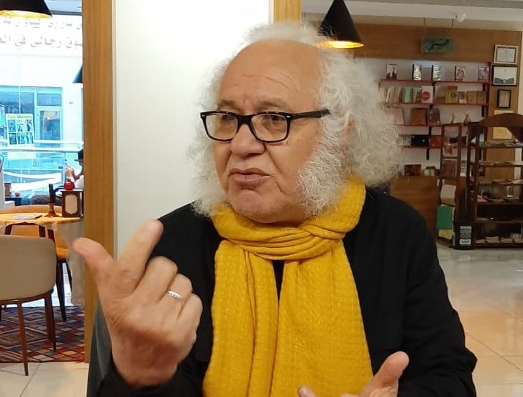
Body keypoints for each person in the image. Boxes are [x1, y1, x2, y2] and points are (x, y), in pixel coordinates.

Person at [79, 23, 477, 397]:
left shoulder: (396, 234)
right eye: (228, 118)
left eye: (274, 119)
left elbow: (450, 377)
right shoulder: (172, 249)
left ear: (341, 134)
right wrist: (137, 377)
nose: (240, 144)